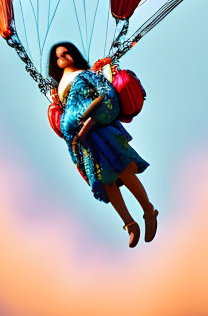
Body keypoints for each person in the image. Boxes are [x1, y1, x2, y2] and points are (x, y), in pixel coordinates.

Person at [49, 42, 158, 247]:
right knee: (106, 182)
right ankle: (129, 224)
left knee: (124, 170)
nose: (63, 56)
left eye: (66, 52)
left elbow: (106, 93)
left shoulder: (87, 75)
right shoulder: (60, 89)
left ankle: (148, 210)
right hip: (86, 142)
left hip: (101, 129)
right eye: (58, 55)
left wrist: (95, 117)